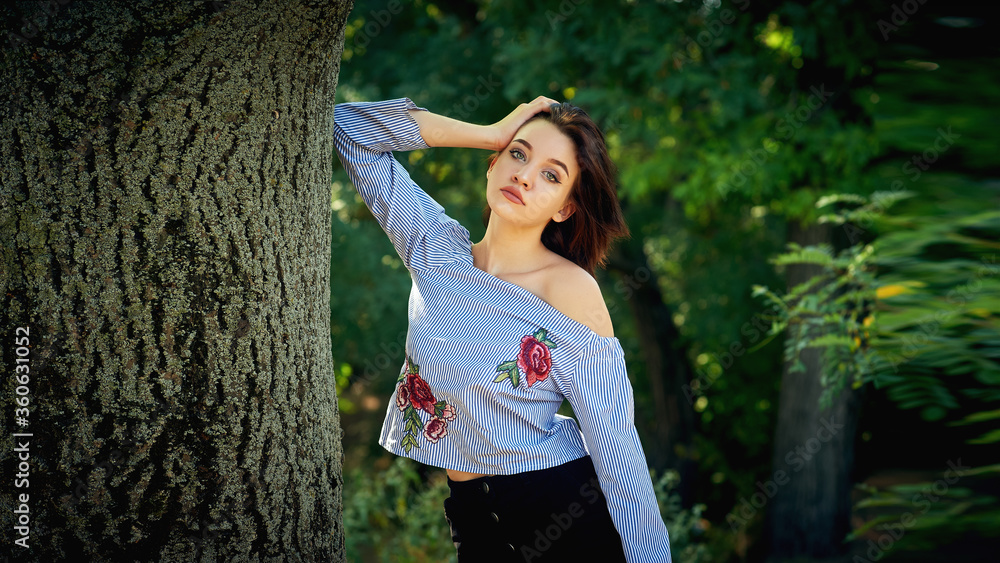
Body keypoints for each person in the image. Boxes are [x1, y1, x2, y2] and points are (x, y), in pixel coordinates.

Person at [333, 95, 672, 562]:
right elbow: (349, 128)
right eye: (518, 153)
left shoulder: (568, 290)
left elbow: (618, 449)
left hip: (564, 514)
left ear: (564, 208)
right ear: (492, 165)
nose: (526, 175)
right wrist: (489, 132)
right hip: (472, 520)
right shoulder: (437, 252)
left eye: (552, 175)